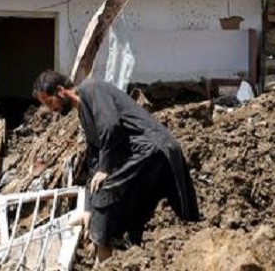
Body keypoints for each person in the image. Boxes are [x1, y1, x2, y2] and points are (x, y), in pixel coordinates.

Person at [32, 71, 199, 262]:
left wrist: (105, 169)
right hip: (143, 155)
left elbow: (110, 127)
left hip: (152, 148)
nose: (51, 109)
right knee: (133, 215)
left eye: (49, 102)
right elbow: (94, 158)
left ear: (61, 91)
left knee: (106, 196)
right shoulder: (83, 113)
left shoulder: (91, 89)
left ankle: (103, 263)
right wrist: (87, 208)